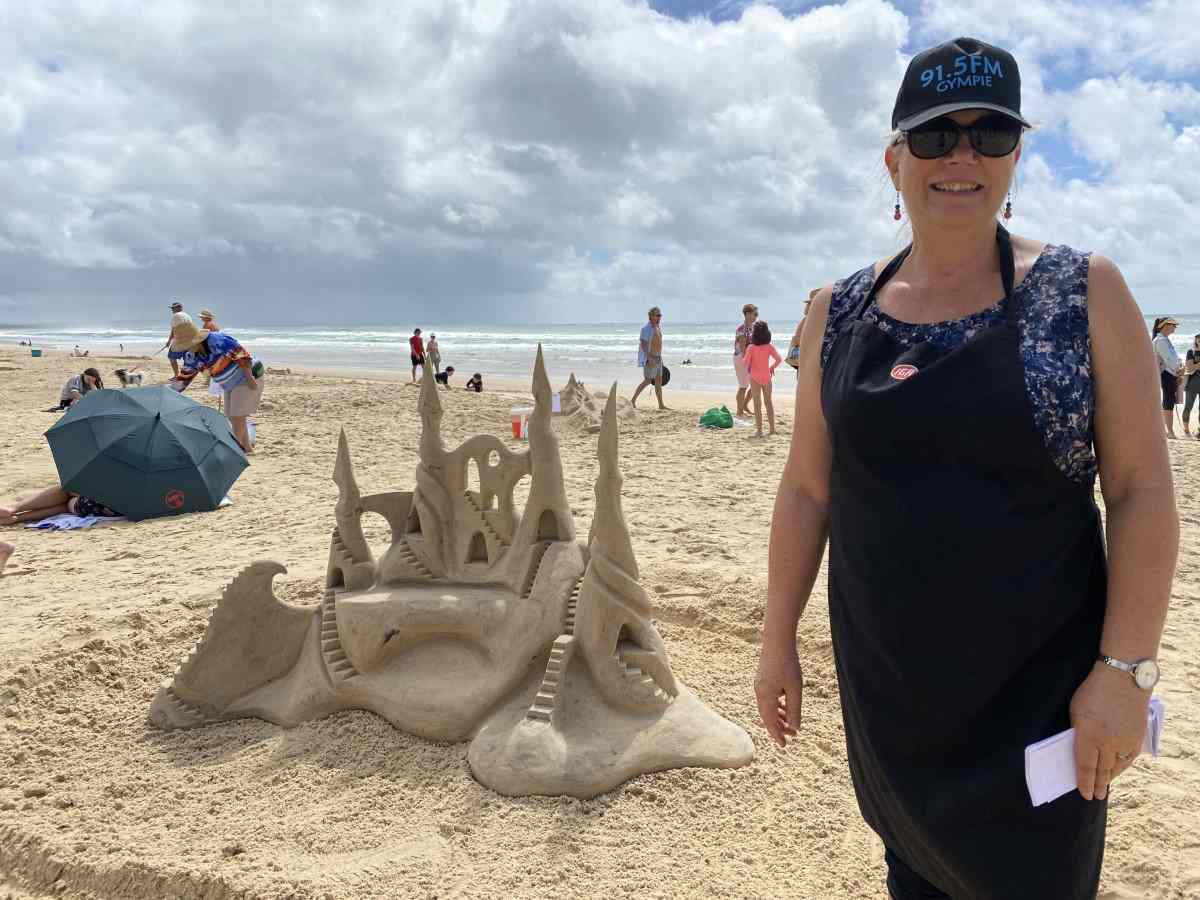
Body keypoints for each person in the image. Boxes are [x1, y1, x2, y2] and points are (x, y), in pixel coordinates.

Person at [755, 37, 1174, 900]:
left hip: (1040, 707)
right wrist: (776, 638)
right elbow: (807, 489)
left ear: (1016, 156)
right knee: (911, 870)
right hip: (891, 701)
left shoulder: (1082, 292)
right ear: (894, 159)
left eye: (990, 135)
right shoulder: (839, 311)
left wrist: (1125, 672)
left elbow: (1139, 492)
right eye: (938, 134)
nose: (963, 156)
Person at [168, 320, 263, 453]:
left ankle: (233, 451)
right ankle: (247, 449)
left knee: (237, 414)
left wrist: (249, 377)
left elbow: (242, 354)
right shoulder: (191, 355)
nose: (186, 349)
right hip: (229, 382)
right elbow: (184, 378)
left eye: (187, 345)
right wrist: (166, 393)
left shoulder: (217, 340)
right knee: (232, 415)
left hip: (246, 375)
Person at [1, 484, 121, 525]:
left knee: (66, 489)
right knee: (68, 506)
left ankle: (13, 508)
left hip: (98, 504)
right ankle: (18, 518)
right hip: (121, 509)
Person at [743, 320, 781, 437]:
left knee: (757, 403)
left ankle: (759, 431)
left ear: (754, 334)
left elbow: (745, 363)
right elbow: (779, 359)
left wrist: (747, 359)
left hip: (754, 377)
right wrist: (772, 367)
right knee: (768, 402)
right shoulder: (769, 347)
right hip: (766, 377)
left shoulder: (751, 348)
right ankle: (772, 429)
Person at [631, 307, 668, 410]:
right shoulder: (646, 329)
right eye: (657, 315)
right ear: (651, 316)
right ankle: (632, 401)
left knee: (658, 381)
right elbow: (643, 344)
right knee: (647, 381)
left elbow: (658, 343)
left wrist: (659, 358)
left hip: (658, 358)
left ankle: (661, 405)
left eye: (660, 315)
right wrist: (649, 358)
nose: (659, 317)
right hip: (650, 358)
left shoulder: (657, 327)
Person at [1151, 317, 1183, 438]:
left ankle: (1168, 431)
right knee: (1168, 402)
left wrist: (1179, 369)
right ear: (1165, 326)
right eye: (1173, 325)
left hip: (1170, 373)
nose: (1175, 328)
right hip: (1167, 374)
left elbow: (1174, 358)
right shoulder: (1160, 340)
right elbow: (1169, 359)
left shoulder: (1164, 339)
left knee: (1168, 401)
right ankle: (1170, 431)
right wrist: (1178, 371)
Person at [733, 304, 758, 416]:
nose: (756, 317)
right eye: (755, 314)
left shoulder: (752, 328)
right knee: (743, 386)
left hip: (748, 358)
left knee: (755, 383)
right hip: (742, 358)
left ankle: (744, 405)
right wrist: (747, 361)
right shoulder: (742, 329)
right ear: (747, 314)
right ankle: (739, 412)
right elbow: (743, 347)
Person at [165, 302, 192, 377]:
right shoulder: (188, 316)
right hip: (189, 340)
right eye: (172, 308)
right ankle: (185, 374)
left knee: (171, 357)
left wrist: (169, 341)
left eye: (173, 308)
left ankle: (176, 375)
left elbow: (174, 329)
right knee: (186, 359)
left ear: (179, 308)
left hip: (180, 340)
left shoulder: (176, 316)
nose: (172, 310)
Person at [1182, 333, 1200, 438]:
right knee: (1188, 406)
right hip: (1192, 383)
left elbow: (1193, 366)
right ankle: (1186, 429)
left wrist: (1195, 365)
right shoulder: (1191, 352)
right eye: (1198, 340)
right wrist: (1196, 365)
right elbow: (1189, 368)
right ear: (1196, 341)